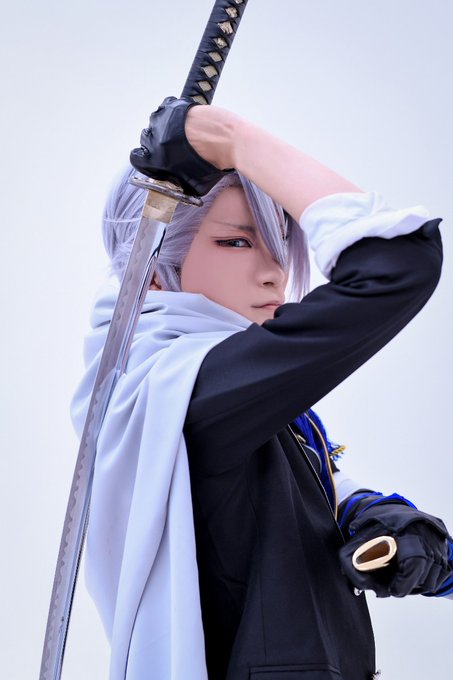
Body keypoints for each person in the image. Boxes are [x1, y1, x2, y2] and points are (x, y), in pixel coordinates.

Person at [71, 97, 453, 680]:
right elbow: (396, 262)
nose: (275, 272)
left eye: (279, 245)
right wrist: (234, 140)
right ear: (150, 267)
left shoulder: (196, 397)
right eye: (237, 241)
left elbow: (302, 497)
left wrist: (375, 518)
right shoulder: (188, 394)